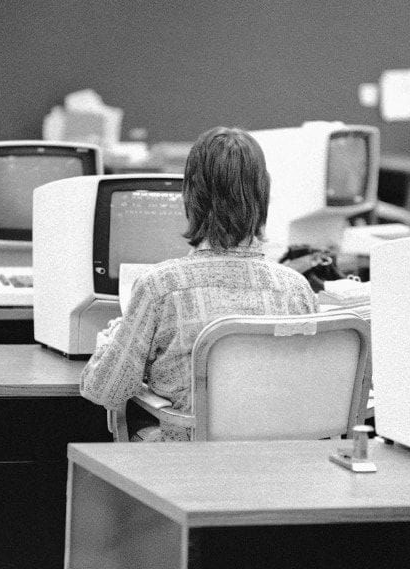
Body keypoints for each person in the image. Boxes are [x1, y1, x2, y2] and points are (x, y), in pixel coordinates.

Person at [81, 126, 317, 441]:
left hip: (189, 468)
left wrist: (111, 340)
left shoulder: (160, 286)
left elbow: (105, 391)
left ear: (190, 196)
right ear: (264, 195)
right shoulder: (297, 289)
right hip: (276, 466)